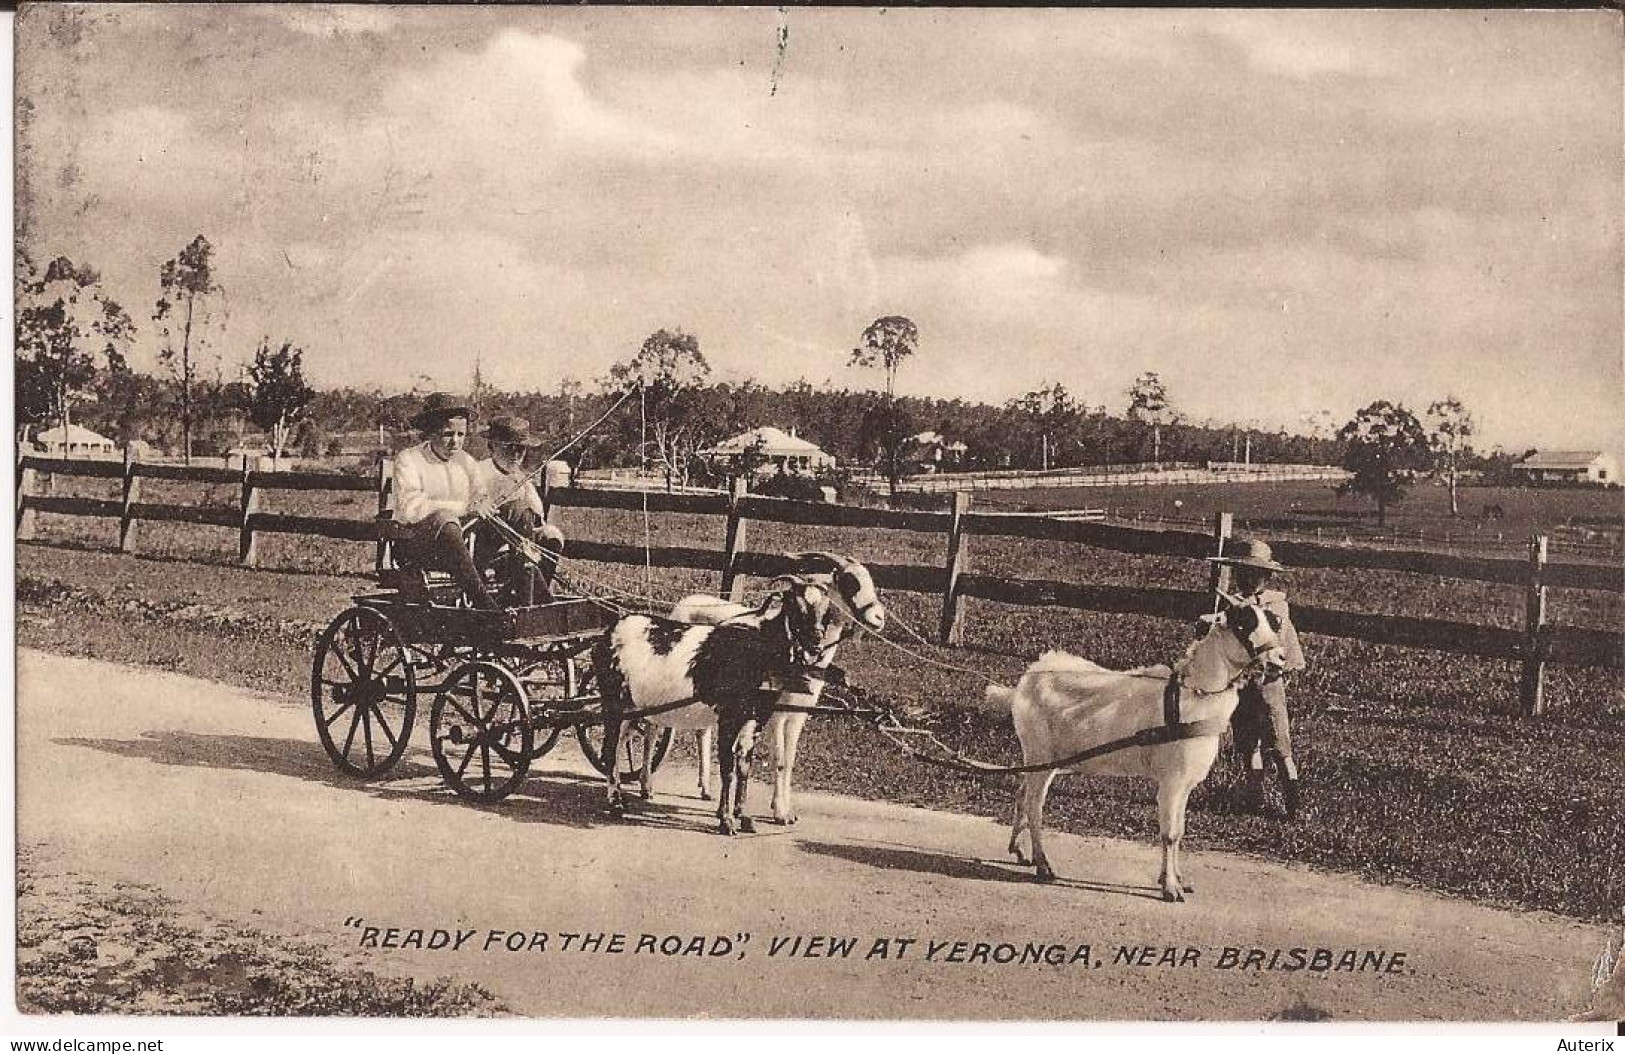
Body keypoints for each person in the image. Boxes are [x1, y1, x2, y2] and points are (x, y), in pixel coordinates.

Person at [1208, 537, 1308, 819]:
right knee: (1247, 741)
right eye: (1243, 574)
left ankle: (1293, 802)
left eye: (1255, 575)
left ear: (1267, 577)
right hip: (1242, 683)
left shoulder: (1276, 607)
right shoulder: (1231, 606)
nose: (1248, 580)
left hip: (1268, 683)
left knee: (1278, 742)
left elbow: (1277, 642)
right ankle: (1255, 798)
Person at [387, 392, 500, 610]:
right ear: (430, 432)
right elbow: (410, 508)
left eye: (461, 434)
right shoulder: (409, 460)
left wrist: (483, 504)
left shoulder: (467, 462)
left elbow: (480, 495)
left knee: (514, 511)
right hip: (418, 548)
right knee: (445, 520)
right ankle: (486, 605)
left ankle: (534, 602)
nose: (455, 442)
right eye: (448, 434)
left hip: (465, 547)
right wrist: (463, 508)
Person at [471, 416, 566, 605]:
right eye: (508, 448)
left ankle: (532, 594)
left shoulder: (521, 478)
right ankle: (530, 600)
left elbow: (537, 515)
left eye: (520, 449)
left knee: (552, 535)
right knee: (517, 510)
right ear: (492, 446)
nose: (515, 455)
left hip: (520, 539)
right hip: (485, 539)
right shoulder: (479, 471)